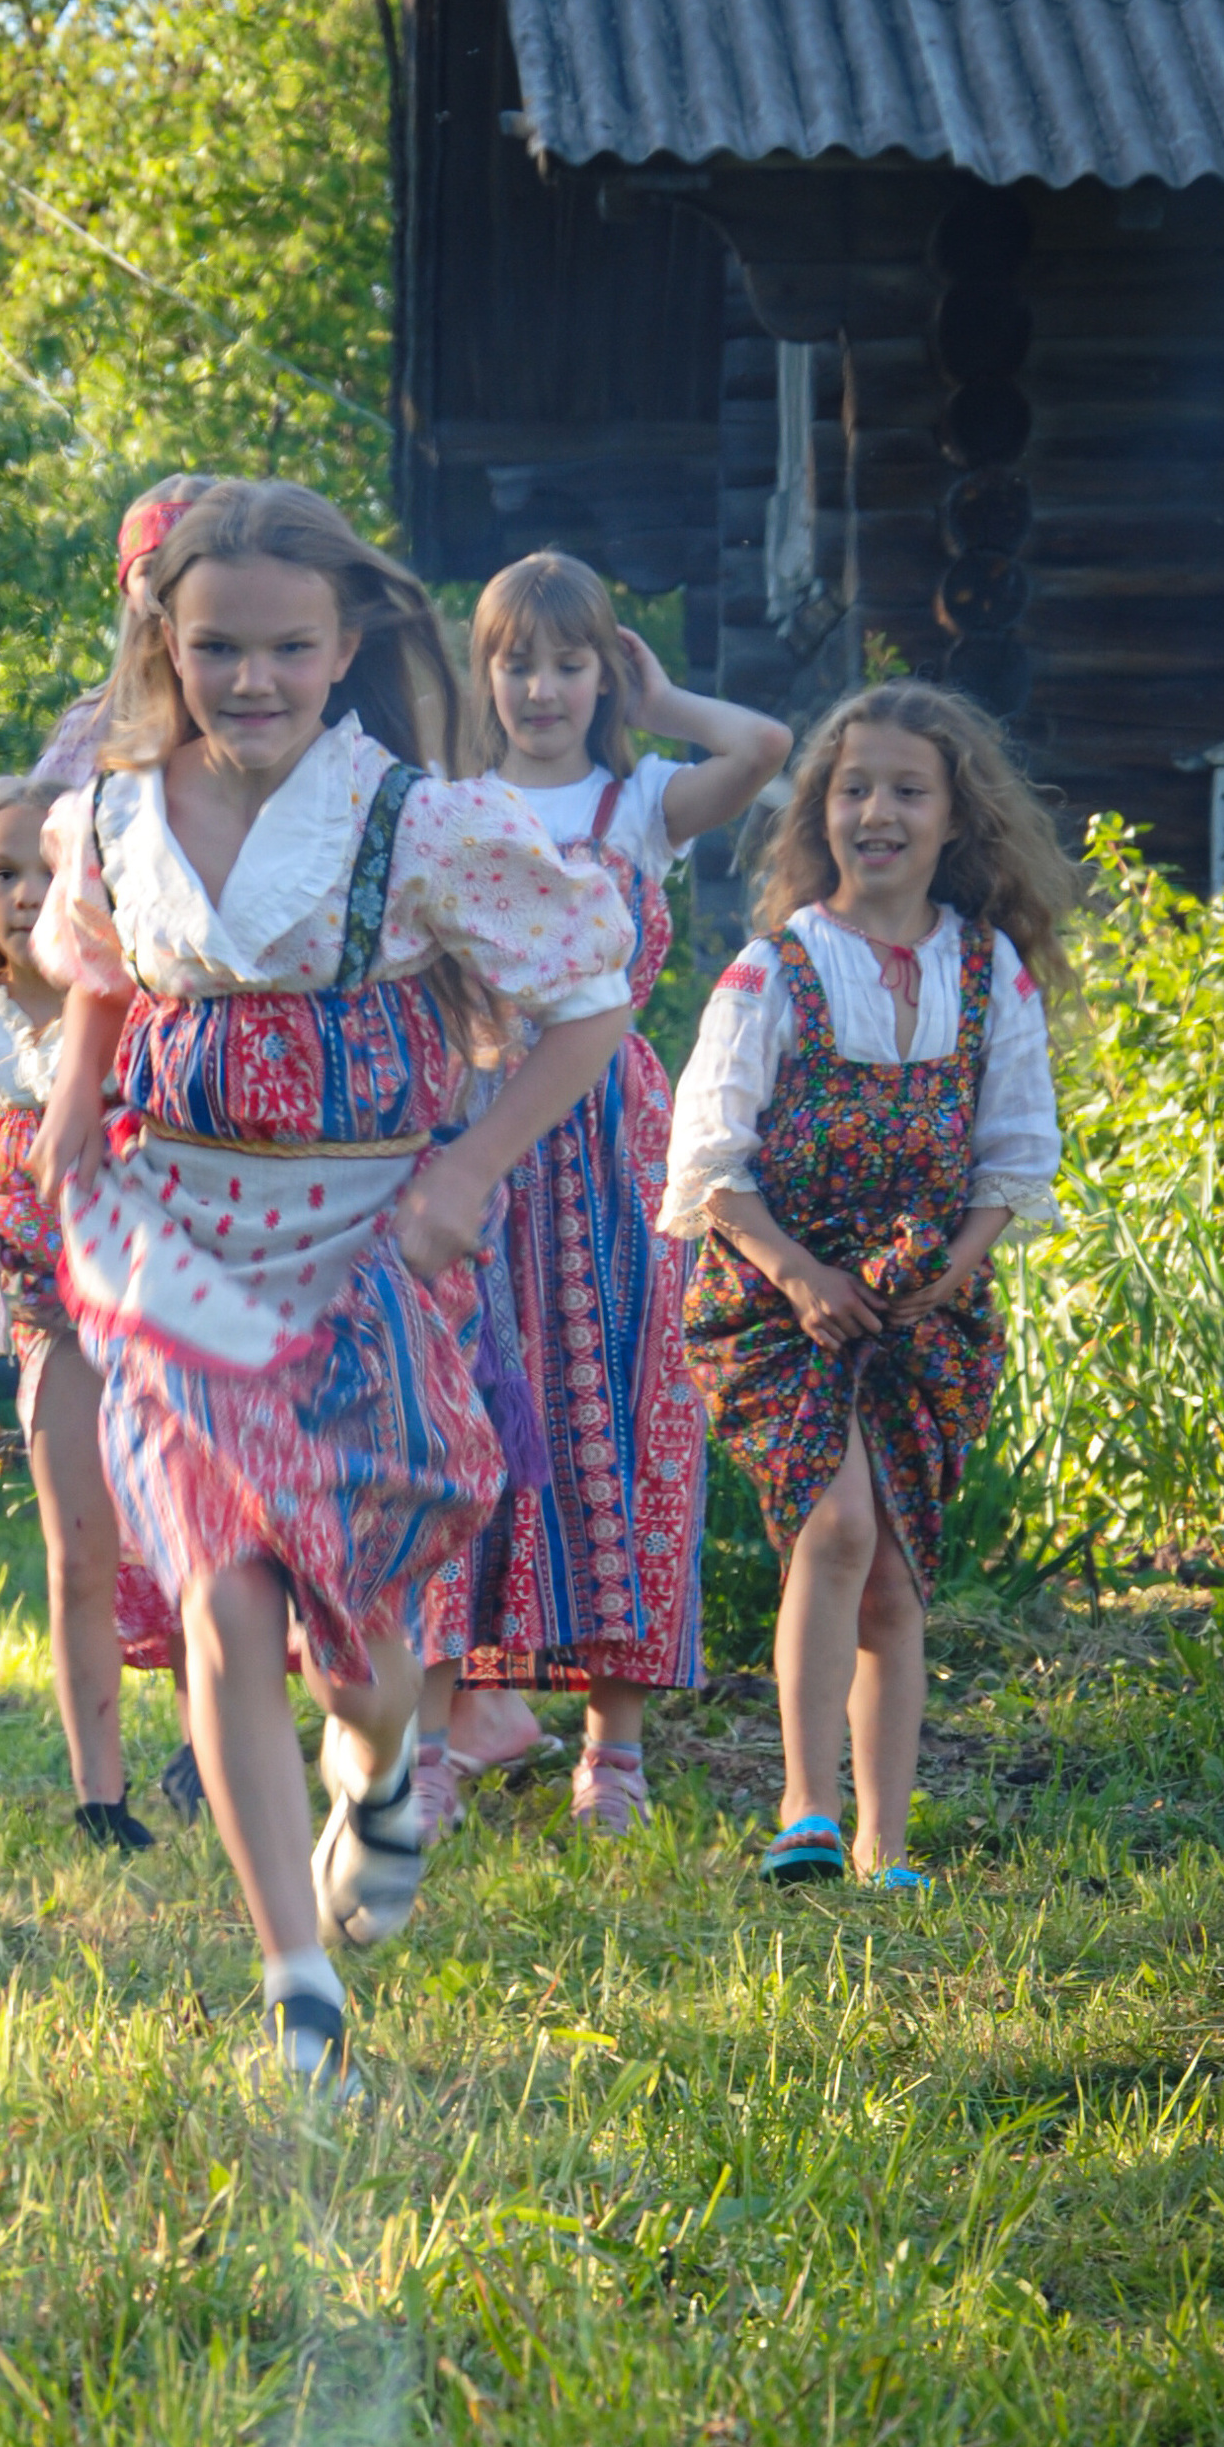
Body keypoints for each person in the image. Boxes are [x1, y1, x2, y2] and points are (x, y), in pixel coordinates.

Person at [30, 479, 633, 2091]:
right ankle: (297, 1986)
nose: (249, 680)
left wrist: (469, 1171)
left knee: (356, 1657)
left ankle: (378, 1784)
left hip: (369, 1264)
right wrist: (84, 1078)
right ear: (166, 636)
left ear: (348, 638)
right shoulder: (107, 812)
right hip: (175, 1263)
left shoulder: (421, 823)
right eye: (215, 645)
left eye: (287, 648)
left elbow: (589, 1003)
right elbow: (97, 961)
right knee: (228, 1600)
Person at [663, 677, 1069, 1886]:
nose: (876, 811)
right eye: (852, 789)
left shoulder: (989, 969)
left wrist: (958, 1262)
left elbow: (1014, 1146)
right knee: (831, 1526)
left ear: (955, 817)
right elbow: (709, 1160)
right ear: (818, 813)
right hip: (775, 1292)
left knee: (893, 1572)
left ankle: (885, 1848)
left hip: (923, 1299)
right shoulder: (775, 967)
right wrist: (796, 1274)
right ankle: (803, 1809)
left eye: (906, 789)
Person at [416, 552, 791, 1842]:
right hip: (475, 1140)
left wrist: (665, 698)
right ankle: (437, 1731)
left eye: (568, 661)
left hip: (614, 1144)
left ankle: (611, 1749)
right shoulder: (453, 807)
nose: (540, 687)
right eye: (517, 660)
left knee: (625, 1426)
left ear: (602, 670)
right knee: (455, 1424)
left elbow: (764, 745)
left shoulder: (636, 801)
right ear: (486, 673)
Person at [0, 776, 181, 1851]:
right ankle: (99, 1793)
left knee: (207, 1548)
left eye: (48, 871)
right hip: (54, 1324)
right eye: (2, 874)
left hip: (169, 1315)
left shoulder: (141, 1006)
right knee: (78, 1550)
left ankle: (214, 1749)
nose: (26, 895)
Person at [35, 476, 219, 786]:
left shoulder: (272, 709)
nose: (169, 584)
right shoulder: (91, 730)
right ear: (126, 592)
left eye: (191, 565)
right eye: (150, 569)